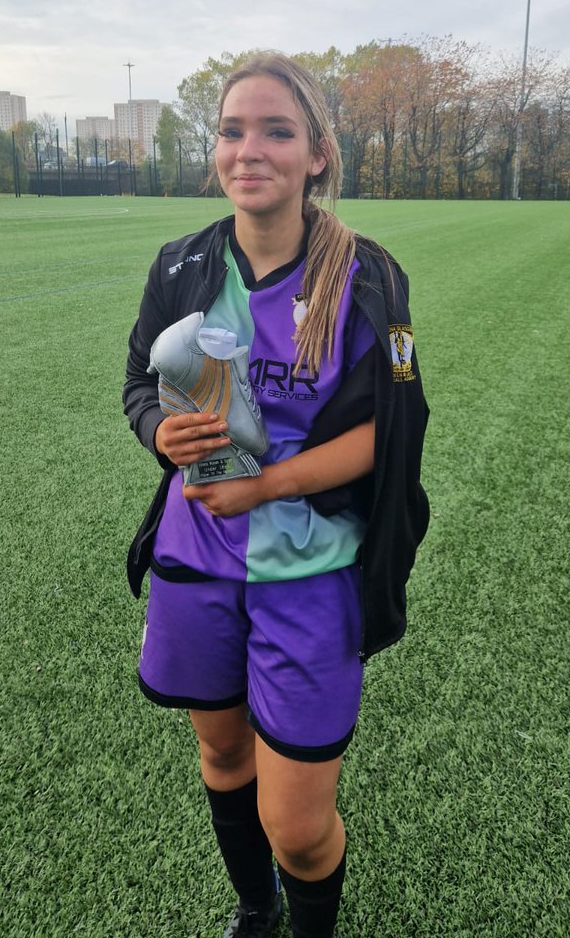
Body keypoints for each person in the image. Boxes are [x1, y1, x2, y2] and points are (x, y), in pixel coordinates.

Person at [123, 53, 430, 938]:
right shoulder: (180, 264)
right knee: (222, 755)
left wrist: (275, 481)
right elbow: (139, 386)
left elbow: (399, 427)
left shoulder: (374, 277)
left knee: (298, 827)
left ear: (317, 155)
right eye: (231, 131)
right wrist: (158, 431)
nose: (247, 150)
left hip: (312, 569)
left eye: (276, 131)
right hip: (195, 561)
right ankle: (255, 912)